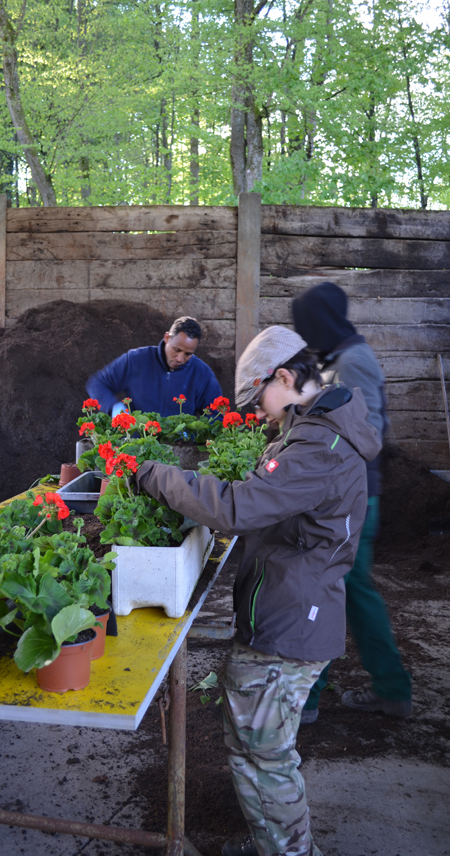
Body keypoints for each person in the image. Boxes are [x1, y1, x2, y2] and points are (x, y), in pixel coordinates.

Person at [135, 326, 382, 856]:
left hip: (291, 623)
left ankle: (290, 851)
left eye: (259, 399)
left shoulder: (318, 445)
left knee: (264, 753)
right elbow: (263, 492)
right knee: (255, 745)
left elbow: (238, 509)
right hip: (292, 607)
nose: (260, 414)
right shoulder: (317, 432)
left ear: (286, 377)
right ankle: (274, 841)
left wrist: (154, 475)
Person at [292, 282, 412, 723]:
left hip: (354, 499)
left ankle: (307, 700)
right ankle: (390, 689)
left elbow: (368, 435)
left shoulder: (354, 362)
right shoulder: (336, 360)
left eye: (307, 326)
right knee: (348, 592)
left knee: (336, 591)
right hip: (347, 496)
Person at [85, 316, 222, 417]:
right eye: (177, 350)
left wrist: (197, 436)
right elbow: (98, 383)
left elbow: (217, 414)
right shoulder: (136, 360)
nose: (180, 358)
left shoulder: (202, 373)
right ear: (167, 338)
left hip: (182, 447)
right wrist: (115, 409)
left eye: (188, 354)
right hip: (136, 443)